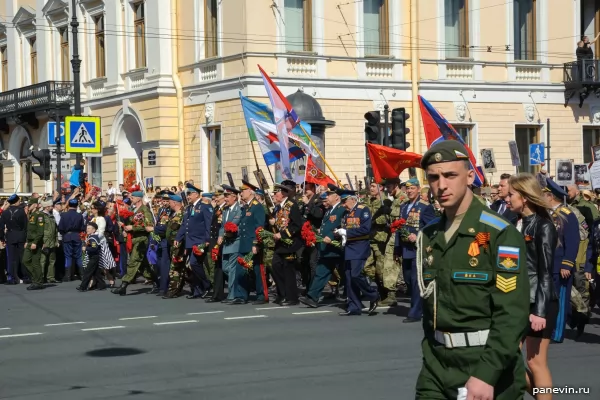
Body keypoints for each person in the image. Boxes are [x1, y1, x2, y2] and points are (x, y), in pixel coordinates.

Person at [415, 141, 529, 399]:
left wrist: (487, 373)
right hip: (436, 365)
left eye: (450, 175)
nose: (441, 185)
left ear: (469, 176)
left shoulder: (498, 232)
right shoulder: (429, 235)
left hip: (485, 366)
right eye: (433, 177)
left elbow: (512, 312)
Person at [506, 174, 558, 400]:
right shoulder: (514, 222)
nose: (506, 198)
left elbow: (545, 272)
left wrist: (539, 310)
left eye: (511, 194)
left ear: (524, 197)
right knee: (507, 357)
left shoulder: (543, 226)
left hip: (538, 301)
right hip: (516, 300)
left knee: (535, 362)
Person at [542, 179, 580, 343]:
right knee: (549, 300)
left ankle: (557, 333)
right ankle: (548, 330)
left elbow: (573, 241)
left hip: (560, 266)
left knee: (560, 300)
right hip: (547, 265)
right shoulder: (546, 215)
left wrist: (567, 263)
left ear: (550, 196)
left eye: (543, 195)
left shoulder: (567, 215)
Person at [396, 178, 436, 323]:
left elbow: (432, 227)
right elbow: (399, 228)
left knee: (415, 281)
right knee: (407, 279)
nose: (409, 191)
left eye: (412, 188)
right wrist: (397, 248)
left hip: (418, 249)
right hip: (405, 248)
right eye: (407, 189)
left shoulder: (425, 206)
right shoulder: (403, 206)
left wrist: (418, 235)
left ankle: (415, 312)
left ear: (418, 189)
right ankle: (425, 306)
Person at [299, 185, 346, 308]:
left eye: (329, 195)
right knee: (321, 272)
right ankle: (312, 297)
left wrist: (331, 236)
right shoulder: (330, 210)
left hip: (337, 248)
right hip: (326, 248)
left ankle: (357, 294)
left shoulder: (341, 209)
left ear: (336, 197)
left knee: (347, 274)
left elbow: (342, 226)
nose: (327, 198)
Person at [334, 188, 379, 316]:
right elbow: (344, 228)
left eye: (344, 202)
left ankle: (373, 294)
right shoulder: (346, 213)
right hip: (349, 247)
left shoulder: (363, 210)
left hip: (359, 246)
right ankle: (354, 306)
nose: (343, 205)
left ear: (352, 200)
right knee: (348, 278)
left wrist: (347, 233)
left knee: (355, 274)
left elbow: (365, 229)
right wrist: (339, 233)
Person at [112, 191, 158, 296]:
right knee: (143, 265)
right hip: (133, 239)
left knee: (133, 261)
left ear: (139, 198)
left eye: (132, 197)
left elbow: (149, 226)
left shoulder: (145, 210)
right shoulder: (134, 210)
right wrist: (125, 227)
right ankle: (157, 282)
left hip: (141, 240)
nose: (130, 198)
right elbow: (132, 224)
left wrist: (132, 228)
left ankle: (123, 286)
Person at [175, 183, 213, 299]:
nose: (188, 196)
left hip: (199, 241)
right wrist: (178, 238)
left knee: (194, 263)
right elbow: (184, 225)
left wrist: (207, 239)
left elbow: (208, 224)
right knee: (191, 266)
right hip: (190, 242)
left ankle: (207, 284)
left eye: (189, 194)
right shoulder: (189, 208)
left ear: (196, 194)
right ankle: (197, 290)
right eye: (187, 194)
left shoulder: (204, 206)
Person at [269, 182, 304, 306]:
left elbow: (296, 225)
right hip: (280, 244)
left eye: (276, 192)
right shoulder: (278, 207)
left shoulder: (291, 205)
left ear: (283, 194)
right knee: (276, 266)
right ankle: (282, 294)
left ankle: (291, 298)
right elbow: (277, 223)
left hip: (290, 243)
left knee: (288, 270)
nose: (274, 194)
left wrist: (283, 234)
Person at [238, 180, 267, 305]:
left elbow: (259, 227)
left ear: (250, 191)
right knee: (242, 269)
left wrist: (256, 243)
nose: (241, 193)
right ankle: (242, 295)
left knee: (257, 270)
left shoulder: (257, 206)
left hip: (252, 243)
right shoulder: (246, 207)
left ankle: (261, 295)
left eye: (243, 191)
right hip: (244, 243)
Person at [218, 185, 244, 304]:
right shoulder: (226, 210)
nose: (225, 199)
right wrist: (220, 235)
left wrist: (224, 234)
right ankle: (236, 287)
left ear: (234, 197)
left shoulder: (239, 209)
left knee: (232, 269)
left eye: (227, 196)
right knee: (225, 268)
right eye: (225, 196)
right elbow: (223, 226)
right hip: (226, 243)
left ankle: (231, 295)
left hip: (234, 241)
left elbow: (234, 224)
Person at [0, 194, 29, 284]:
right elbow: (25, 226)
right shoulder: (21, 212)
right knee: (22, 257)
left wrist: (2, 238)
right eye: (19, 201)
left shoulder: (5, 212)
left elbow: (1, 227)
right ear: (16, 201)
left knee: (11, 258)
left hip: (10, 236)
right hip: (20, 235)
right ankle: (25, 276)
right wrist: (27, 238)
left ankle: (11, 277)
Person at [23, 198, 45, 290]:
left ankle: (38, 282)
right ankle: (35, 278)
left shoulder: (39, 215)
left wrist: (35, 242)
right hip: (30, 241)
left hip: (36, 242)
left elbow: (40, 231)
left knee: (35, 262)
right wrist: (27, 241)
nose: (28, 206)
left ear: (35, 205)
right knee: (25, 260)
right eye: (28, 205)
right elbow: (29, 230)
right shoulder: (31, 214)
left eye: (30, 204)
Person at [78, 222, 106, 292]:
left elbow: (94, 248)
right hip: (93, 256)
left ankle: (83, 287)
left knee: (87, 272)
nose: (87, 230)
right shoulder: (91, 237)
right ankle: (102, 285)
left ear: (94, 230)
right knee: (96, 272)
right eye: (87, 228)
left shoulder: (93, 238)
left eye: (89, 228)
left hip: (94, 257)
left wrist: (86, 248)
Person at [40, 200, 59, 284]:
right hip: (45, 241)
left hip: (52, 241)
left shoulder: (51, 216)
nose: (52, 207)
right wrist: (41, 242)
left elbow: (55, 230)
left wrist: (56, 240)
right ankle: (41, 277)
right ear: (47, 207)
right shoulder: (41, 216)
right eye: (51, 206)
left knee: (52, 260)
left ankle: (51, 277)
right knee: (43, 260)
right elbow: (39, 230)